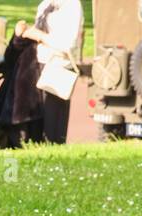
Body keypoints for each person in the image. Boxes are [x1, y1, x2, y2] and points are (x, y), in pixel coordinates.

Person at [12, 0, 83, 143]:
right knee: (36, 123)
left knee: (53, 127)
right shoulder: (44, 4)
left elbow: (67, 45)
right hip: (38, 67)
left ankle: (53, 157)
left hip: (57, 69)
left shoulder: (72, 5)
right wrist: (24, 31)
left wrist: (38, 35)